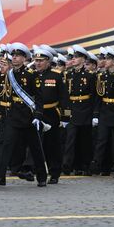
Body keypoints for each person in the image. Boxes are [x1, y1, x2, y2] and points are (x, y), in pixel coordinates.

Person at [0, 43, 48, 187]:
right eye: (13, 56)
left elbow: (39, 97)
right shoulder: (9, 74)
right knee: (7, 146)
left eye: (18, 56)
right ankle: (0, 177)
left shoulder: (32, 75)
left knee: (35, 148)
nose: (15, 58)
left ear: (24, 58)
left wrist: (38, 115)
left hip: (28, 116)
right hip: (13, 115)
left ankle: (42, 177)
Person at [33, 46, 69, 184]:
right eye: (36, 60)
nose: (37, 63)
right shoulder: (32, 75)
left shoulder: (56, 75)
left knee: (52, 145)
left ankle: (54, 173)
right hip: (36, 114)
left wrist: (65, 116)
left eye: (41, 60)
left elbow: (64, 97)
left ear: (48, 62)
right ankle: (38, 171)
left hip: (51, 113)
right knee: (36, 144)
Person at [62, 44, 97, 175]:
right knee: (70, 140)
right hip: (73, 109)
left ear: (83, 59)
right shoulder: (69, 74)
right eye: (73, 57)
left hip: (85, 109)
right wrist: (65, 114)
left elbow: (94, 96)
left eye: (76, 57)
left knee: (85, 140)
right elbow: (65, 95)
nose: (74, 59)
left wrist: (94, 114)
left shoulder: (90, 75)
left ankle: (85, 165)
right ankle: (68, 165)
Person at [91, 47, 114, 178]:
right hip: (105, 110)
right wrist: (96, 114)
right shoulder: (102, 76)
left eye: (108, 59)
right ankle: (100, 165)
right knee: (102, 140)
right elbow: (98, 97)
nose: (105, 61)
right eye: (105, 59)